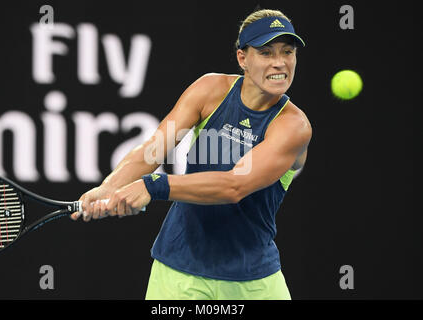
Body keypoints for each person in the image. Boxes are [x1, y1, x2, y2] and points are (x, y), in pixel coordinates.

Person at [71, 8, 312, 300]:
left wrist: (153, 185)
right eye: (266, 52)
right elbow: (154, 149)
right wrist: (108, 187)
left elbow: (234, 185)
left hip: (255, 282)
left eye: (288, 52)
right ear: (243, 59)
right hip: (179, 273)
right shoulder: (209, 89)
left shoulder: (293, 126)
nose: (280, 63)